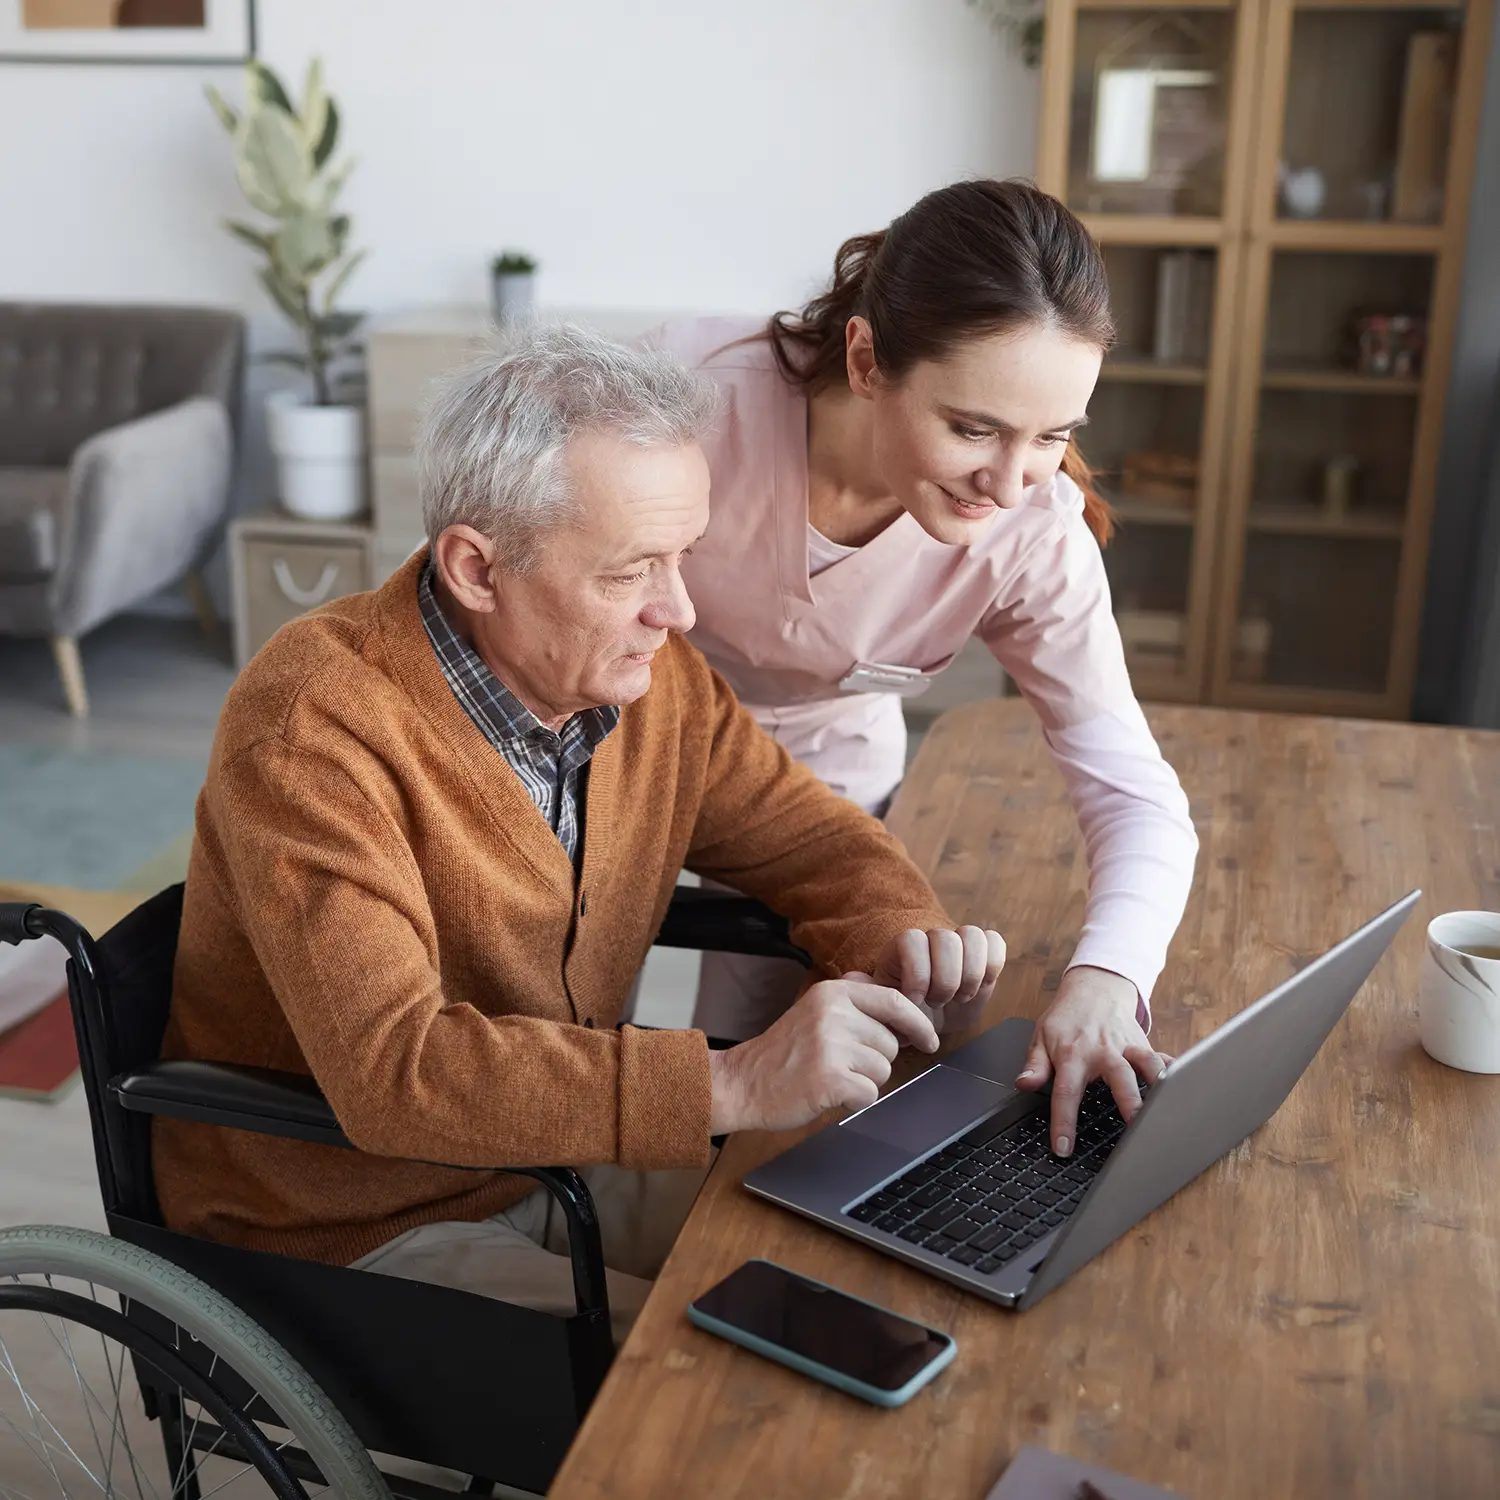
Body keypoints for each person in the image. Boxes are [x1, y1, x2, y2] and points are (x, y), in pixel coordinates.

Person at [152, 324, 1004, 1342]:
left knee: (881, 1251)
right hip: (350, 1218)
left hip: (554, 1160)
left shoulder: (650, 683)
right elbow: (397, 1073)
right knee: (733, 1371)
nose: (678, 610)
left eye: (683, 557)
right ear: (477, 568)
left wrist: (901, 927)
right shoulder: (312, 727)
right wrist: (729, 1081)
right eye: (631, 572)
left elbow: (800, 834)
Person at [646, 178, 1199, 1160]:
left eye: (1054, 435)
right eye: (975, 428)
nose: (1010, 481)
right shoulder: (681, 408)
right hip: (624, 754)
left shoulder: (1032, 533)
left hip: (823, 794)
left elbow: (1131, 789)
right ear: (865, 359)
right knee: (620, 1058)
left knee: (801, 1099)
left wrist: (1110, 977)